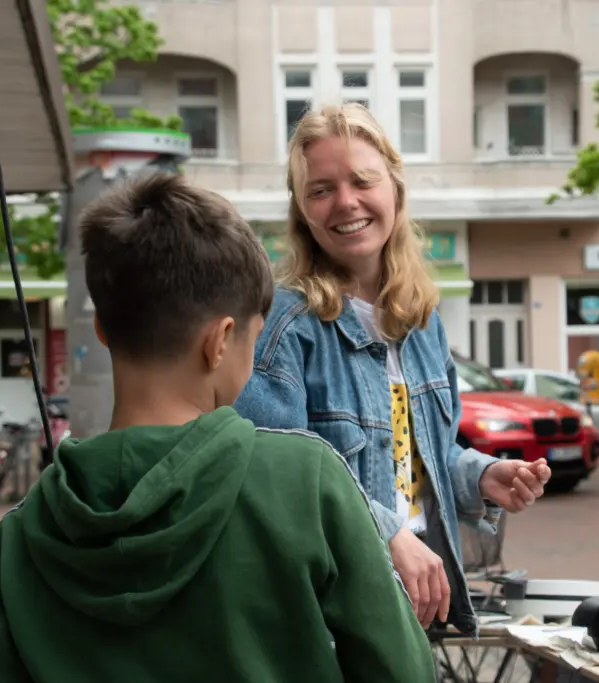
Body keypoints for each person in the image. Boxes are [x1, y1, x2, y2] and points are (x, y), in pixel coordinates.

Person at [0, 173, 436, 683]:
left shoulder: (18, 537)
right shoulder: (305, 480)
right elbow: (403, 670)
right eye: (254, 340)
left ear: (104, 332)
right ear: (220, 341)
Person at [233, 103, 552, 636]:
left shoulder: (421, 321)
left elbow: (421, 454)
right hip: (332, 610)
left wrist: (482, 476)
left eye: (362, 180)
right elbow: (277, 476)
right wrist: (385, 532)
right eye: (321, 189)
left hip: (418, 597)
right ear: (302, 211)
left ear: (396, 190)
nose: (345, 202)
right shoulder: (286, 325)